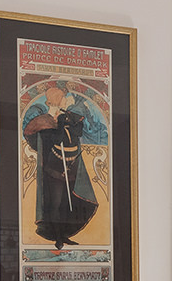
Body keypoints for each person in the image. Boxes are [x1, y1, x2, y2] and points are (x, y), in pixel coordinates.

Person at [20, 79, 108, 249]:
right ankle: (58, 237)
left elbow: (78, 131)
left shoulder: (69, 116)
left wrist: (66, 119)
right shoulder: (47, 121)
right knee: (56, 203)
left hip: (72, 167)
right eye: (62, 98)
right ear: (55, 100)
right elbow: (53, 138)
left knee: (69, 204)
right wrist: (58, 123)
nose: (66, 100)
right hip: (55, 170)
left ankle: (65, 235)